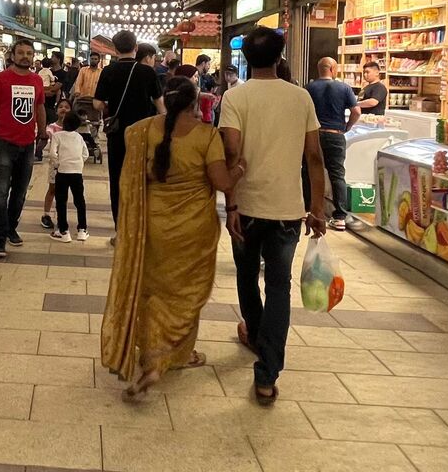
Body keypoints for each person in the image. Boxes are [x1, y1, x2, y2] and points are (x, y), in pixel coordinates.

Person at [102, 77, 242, 399]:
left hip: (153, 226)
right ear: (195, 104)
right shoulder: (206, 136)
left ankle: (152, 357)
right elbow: (221, 182)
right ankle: (175, 354)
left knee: (154, 292)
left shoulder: (140, 131)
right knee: (185, 294)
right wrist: (240, 171)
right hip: (194, 231)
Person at [219, 27, 328, 405]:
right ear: (280, 58)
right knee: (279, 286)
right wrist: (317, 208)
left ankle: (254, 332)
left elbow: (231, 155)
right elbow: (314, 157)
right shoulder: (300, 98)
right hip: (287, 209)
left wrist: (230, 204)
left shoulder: (235, 97)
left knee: (247, 278)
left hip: (246, 207)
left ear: (246, 58)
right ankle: (267, 374)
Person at [95, 31, 165, 243]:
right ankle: (141, 230)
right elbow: (161, 108)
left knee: (118, 181)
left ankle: (121, 231)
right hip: (143, 135)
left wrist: (112, 107)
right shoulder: (147, 72)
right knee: (143, 181)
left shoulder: (108, 71)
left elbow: (97, 104)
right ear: (136, 47)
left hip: (118, 136)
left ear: (115, 49)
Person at [0, 39, 47, 259]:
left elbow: (39, 106)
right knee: (0, 191)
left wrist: (43, 131)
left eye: (29, 53)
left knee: (20, 192)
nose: (25, 57)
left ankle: (11, 227)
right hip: (3, 142)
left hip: (27, 143)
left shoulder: (37, 80)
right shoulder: (1, 80)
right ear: (12, 55)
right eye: (21, 53)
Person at [305, 57, 360, 231]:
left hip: (313, 135)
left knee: (308, 172)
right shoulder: (344, 88)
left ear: (318, 69)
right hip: (335, 136)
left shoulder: (309, 88)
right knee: (337, 175)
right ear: (333, 69)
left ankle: (308, 210)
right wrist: (347, 126)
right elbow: (356, 111)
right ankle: (340, 217)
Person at [49, 110, 90, 243]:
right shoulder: (79, 137)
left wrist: (57, 164)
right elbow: (86, 153)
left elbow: (52, 153)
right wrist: (79, 163)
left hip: (62, 172)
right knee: (79, 201)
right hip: (77, 172)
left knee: (61, 201)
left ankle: (63, 231)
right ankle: (82, 230)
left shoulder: (57, 136)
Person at [39, 98, 72, 231]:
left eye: (67, 107)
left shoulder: (73, 129)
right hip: (55, 164)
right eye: (61, 107)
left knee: (64, 191)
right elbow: (45, 140)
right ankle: (46, 214)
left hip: (68, 164)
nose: (63, 109)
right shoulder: (52, 127)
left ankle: (61, 215)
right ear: (56, 110)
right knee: (52, 188)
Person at [36, 58, 62, 160]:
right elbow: (53, 83)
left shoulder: (40, 72)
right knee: (55, 128)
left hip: (42, 96)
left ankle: (38, 153)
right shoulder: (49, 72)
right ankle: (56, 152)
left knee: (41, 129)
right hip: (50, 106)